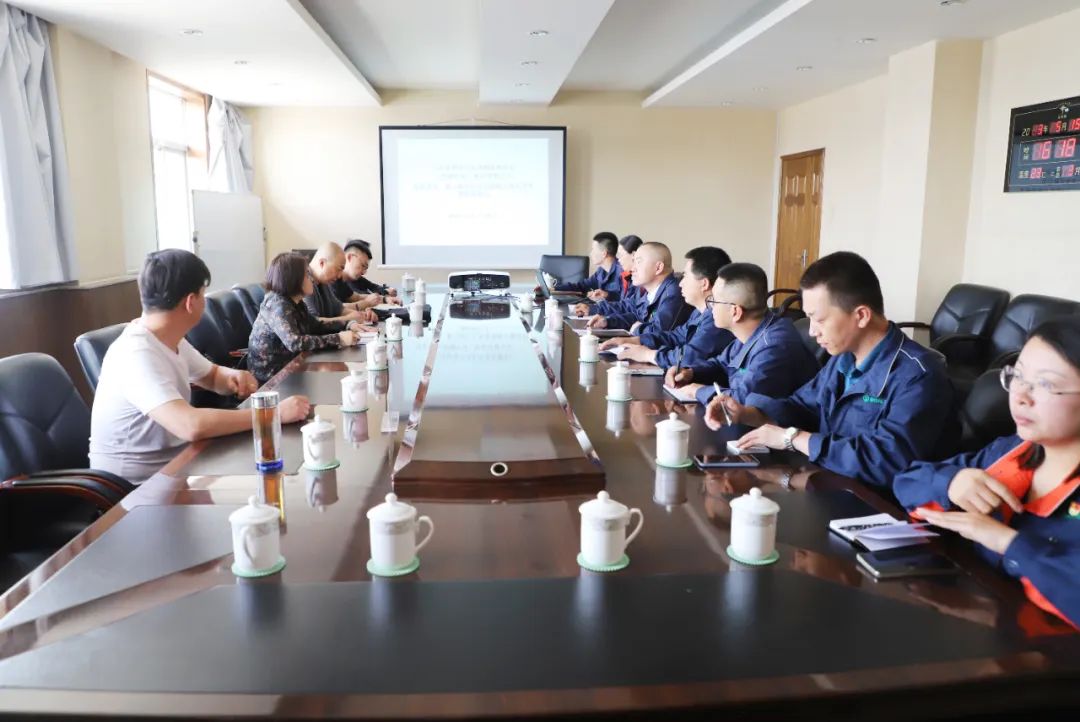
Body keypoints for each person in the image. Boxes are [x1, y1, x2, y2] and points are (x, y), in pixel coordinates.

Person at [711, 251, 958, 488]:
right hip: (829, 481)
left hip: (876, 502)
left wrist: (793, 439)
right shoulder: (844, 359)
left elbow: (884, 460)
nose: (812, 331)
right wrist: (748, 414)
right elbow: (802, 407)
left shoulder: (918, 376)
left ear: (861, 316)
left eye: (819, 319)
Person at [893, 318, 1080, 629]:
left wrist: (1009, 543)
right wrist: (950, 483)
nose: (1021, 396)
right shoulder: (1012, 451)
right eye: (1018, 376)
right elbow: (906, 482)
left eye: (1046, 384)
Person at [89, 250, 312, 483]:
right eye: (203, 295)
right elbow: (190, 425)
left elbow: (212, 376)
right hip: (135, 489)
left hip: (179, 466)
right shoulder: (135, 353)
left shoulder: (169, 338)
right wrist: (271, 415)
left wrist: (232, 376)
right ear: (191, 302)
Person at [666, 262, 819, 406]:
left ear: (735, 312)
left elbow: (744, 400)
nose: (710, 307)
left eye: (714, 301)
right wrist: (691, 373)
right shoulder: (753, 330)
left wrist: (698, 391)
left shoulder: (774, 346)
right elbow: (722, 364)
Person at [601, 246, 734, 369]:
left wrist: (648, 355)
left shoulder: (717, 318)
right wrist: (637, 340)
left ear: (704, 284)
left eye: (686, 276)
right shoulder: (699, 312)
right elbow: (675, 336)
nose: (681, 283)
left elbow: (690, 356)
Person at [248, 252, 367, 384]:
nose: (311, 279)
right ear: (294, 279)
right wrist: (339, 338)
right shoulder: (277, 305)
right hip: (271, 380)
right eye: (307, 275)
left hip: (293, 367)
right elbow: (295, 343)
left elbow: (315, 325)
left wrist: (347, 325)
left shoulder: (295, 302)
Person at [573, 241, 688, 337]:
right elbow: (634, 312)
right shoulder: (652, 291)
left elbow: (659, 333)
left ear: (658, 268)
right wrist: (607, 321)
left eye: (638, 262)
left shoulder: (673, 294)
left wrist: (637, 329)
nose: (633, 268)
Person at [304, 242, 377, 324]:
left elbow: (339, 309)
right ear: (322, 263)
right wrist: (347, 319)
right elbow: (312, 322)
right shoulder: (304, 281)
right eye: (339, 269)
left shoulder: (323, 282)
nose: (339, 276)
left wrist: (362, 315)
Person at [553, 232, 623, 302]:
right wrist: (554, 288)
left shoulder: (622, 271)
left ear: (604, 253)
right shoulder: (601, 271)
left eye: (593, 249)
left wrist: (607, 295)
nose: (590, 253)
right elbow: (582, 286)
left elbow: (626, 301)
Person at [334, 239, 399, 306]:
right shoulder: (333, 278)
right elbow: (339, 309)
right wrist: (367, 303)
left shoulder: (342, 282)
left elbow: (357, 297)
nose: (364, 273)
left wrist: (385, 299)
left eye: (365, 268)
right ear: (350, 257)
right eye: (362, 265)